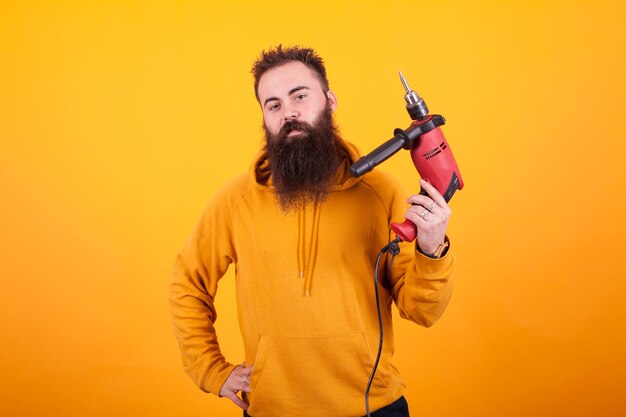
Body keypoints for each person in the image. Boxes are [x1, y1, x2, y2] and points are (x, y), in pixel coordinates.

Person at [169, 45, 454, 417]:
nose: (289, 112)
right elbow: (187, 283)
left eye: (299, 96)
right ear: (264, 119)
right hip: (272, 409)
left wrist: (432, 251)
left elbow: (422, 311)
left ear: (330, 100)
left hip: (374, 407)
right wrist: (210, 369)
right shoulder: (236, 200)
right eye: (273, 105)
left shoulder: (381, 193)